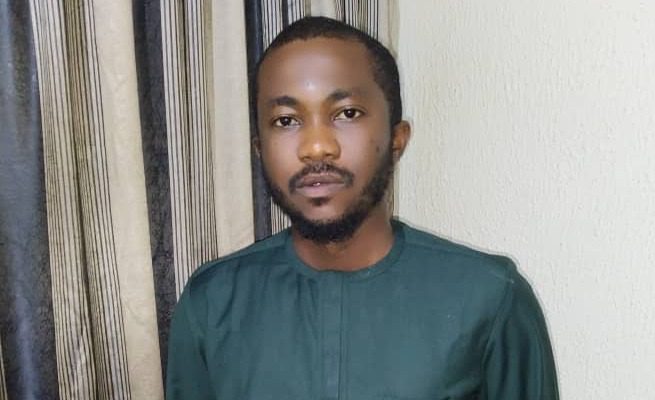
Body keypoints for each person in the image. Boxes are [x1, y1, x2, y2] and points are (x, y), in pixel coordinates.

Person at [166, 16, 558, 400]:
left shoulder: (490, 298)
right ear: (260, 150)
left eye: (347, 113)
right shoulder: (212, 304)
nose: (316, 147)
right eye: (286, 121)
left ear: (397, 138)